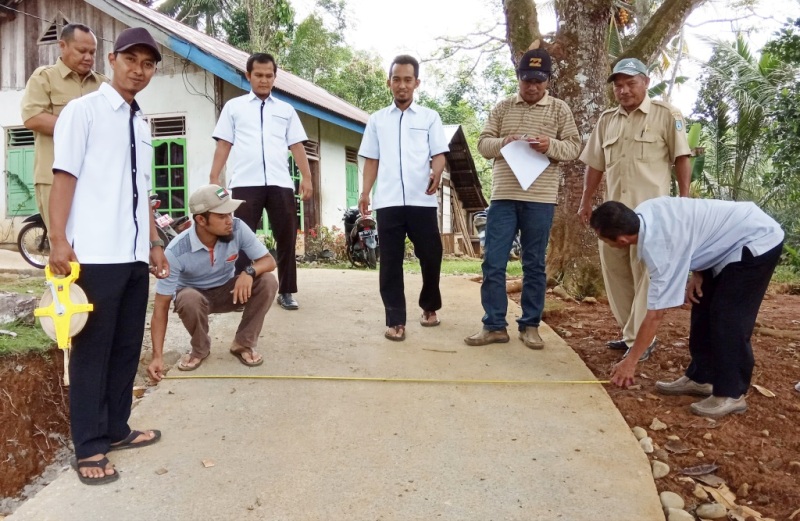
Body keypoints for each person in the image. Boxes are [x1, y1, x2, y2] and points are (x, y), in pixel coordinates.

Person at [48, 27, 168, 485]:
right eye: (131, 60)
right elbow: (65, 176)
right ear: (112, 59)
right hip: (94, 253)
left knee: (124, 348)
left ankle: (116, 428)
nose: (139, 70)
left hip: (134, 254)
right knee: (92, 352)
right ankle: (89, 446)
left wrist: (154, 243)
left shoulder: (141, 122)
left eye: (148, 64)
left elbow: (141, 194)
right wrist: (58, 239)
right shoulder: (84, 111)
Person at [591, 198, 784, 418]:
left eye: (602, 238)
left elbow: (655, 315)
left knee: (728, 318)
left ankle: (731, 393)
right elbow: (694, 230)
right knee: (702, 306)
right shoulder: (644, 212)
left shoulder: (660, 250)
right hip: (725, 240)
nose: (603, 241)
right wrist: (698, 271)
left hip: (756, 238)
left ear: (622, 240)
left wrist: (630, 361)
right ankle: (702, 378)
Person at [464, 46, 581, 349]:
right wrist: (505, 141)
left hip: (540, 199)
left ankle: (530, 325)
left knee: (534, 264)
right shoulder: (503, 108)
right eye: (527, 80)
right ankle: (493, 325)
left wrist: (549, 146)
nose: (532, 87)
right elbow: (483, 144)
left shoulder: (559, 110)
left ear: (548, 81)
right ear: (518, 78)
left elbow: (574, 147)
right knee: (493, 261)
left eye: (539, 81)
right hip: (503, 197)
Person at [578, 58, 692, 361]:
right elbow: (595, 164)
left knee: (646, 274)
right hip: (614, 215)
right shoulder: (607, 120)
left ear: (646, 82)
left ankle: (641, 338)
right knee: (616, 273)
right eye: (618, 86)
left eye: (630, 84)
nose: (623, 90)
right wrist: (586, 200)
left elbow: (682, 157)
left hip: (650, 217)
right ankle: (631, 332)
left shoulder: (666, 115)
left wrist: (684, 199)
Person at [209, 53, 312, 311]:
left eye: (269, 76)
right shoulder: (234, 107)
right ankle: (240, 291)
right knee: (240, 237)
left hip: (280, 183)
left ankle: (286, 291)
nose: (264, 80)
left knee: (286, 237)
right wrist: (214, 178)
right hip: (245, 182)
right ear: (248, 76)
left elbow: (297, 146)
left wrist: (307, 177)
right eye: (259, 75)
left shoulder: (286, 110)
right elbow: (224, 143)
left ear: (275, 77)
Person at [358, 55, 450, 341]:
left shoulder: (429, 117)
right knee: (390, 262)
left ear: (417, 83)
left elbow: (439, 154)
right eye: (396, 79)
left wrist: (436, 173)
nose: (402, 85)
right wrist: (365, 192)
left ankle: (429, 306)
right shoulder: (377, 120)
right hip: (388, 202)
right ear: (389, 83)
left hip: (421, 200)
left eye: (407, 80)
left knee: (431, 255)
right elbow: (371, 159)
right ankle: (395, 319)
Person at [147, 185, 278, 376]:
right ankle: (200, 349)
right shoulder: (176, 251)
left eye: (230, 214)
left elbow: (269, 261)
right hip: (196, 298)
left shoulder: (238, 228)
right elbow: (160, 307)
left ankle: (243, 344)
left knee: (268, 281)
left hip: (229, 292)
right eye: (222, 216)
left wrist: (248, 272)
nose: (229, 221)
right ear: (201, 219)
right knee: (188, 298)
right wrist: (157, 356)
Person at [21, 23, 107, 230]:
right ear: (63, 46)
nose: (88, 57)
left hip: (94, 179)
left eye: (92, 52)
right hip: (53, 178)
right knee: (62, 244)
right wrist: (81, 127)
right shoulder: (44, 77)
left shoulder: (103, 85)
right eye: (82, 51)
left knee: (95, 242)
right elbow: (33, 117)